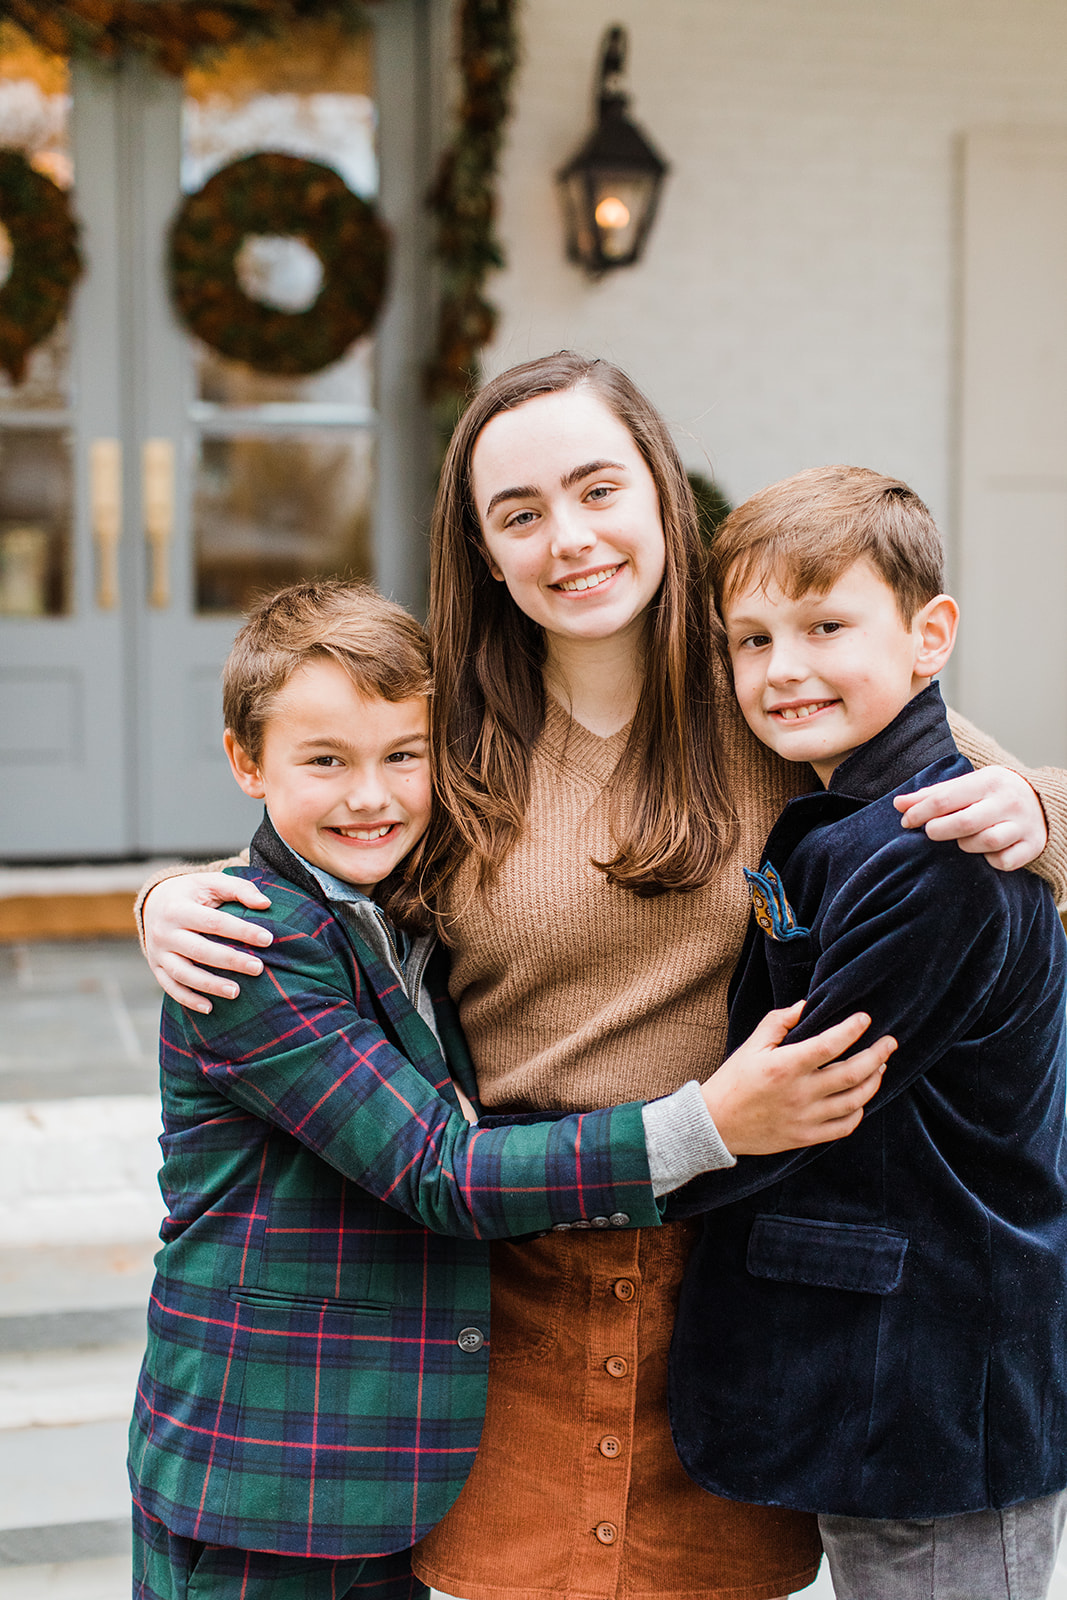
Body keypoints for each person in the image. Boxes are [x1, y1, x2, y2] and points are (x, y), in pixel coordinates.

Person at [139, 354, 1067, 1600]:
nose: (566, 538)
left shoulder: (771, 689)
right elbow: (326, 826)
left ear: (661, 495)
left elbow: (980, 802)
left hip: (721, 1273)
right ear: (479, 547)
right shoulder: (452, 732)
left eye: (596, 488)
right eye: (517, 514)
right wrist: (172, 894)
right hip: (506, 1275)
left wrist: (1037, 809)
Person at [130, 578, 891, 1600]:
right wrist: (708, 1122)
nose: (371, 795)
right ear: (245, 762)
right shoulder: (251, 949)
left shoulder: (392, 900)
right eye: (325, 761)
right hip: (262, 1467)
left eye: (403, 756)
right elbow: (438, 1170)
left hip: (380, 1474)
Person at [667, 466, 1067, 1600]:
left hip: (936, 1384)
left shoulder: (936, 848)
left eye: (823, 625)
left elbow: (804, 1096)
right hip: (877, 1370)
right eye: (747, 640)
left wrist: (574, 1174)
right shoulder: (847, 813)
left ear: (926, 635)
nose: (780, 667)